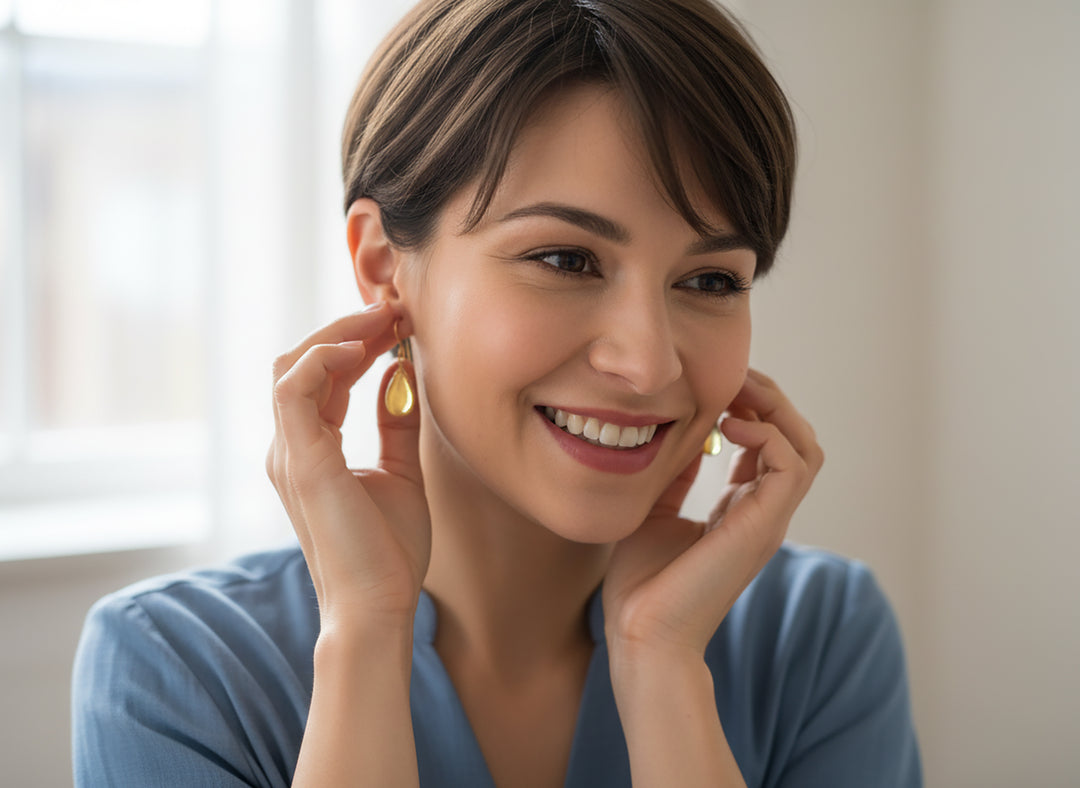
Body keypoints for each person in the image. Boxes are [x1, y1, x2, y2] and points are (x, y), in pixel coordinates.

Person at [72, 0, 922, 785]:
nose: (650, 362)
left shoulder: (819, 638)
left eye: (709, 280)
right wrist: (367, 635)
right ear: (382, 265)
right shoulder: (174, 666)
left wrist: (660, 662)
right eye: (565, 259)